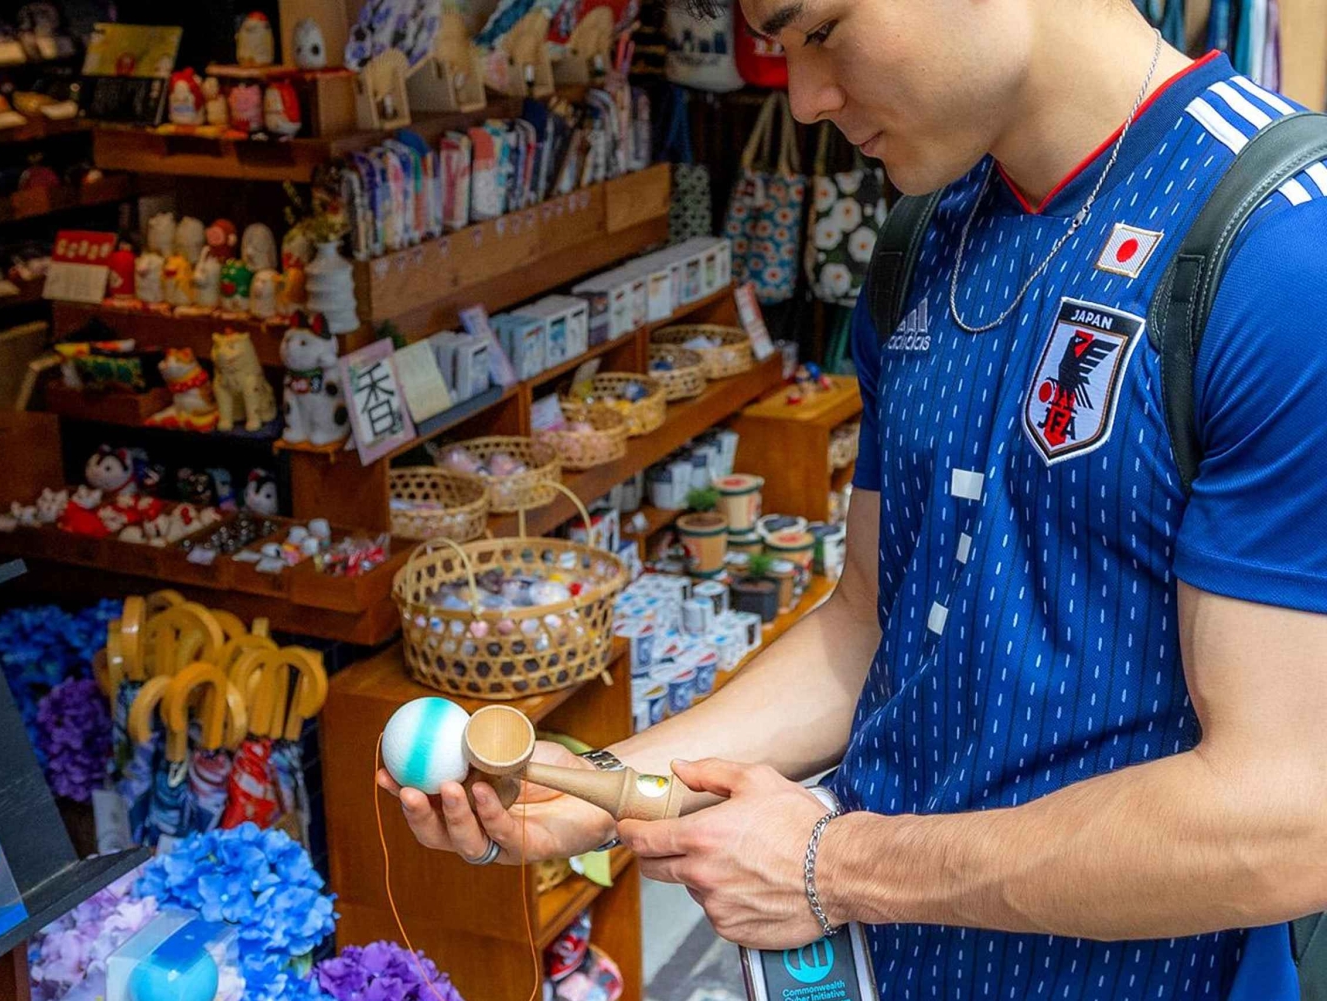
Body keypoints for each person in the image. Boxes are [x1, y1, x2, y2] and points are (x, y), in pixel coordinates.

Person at [379, 0, 1327, 995]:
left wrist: (834, 866)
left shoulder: (1277, 250)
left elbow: (1280, 816)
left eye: (821, 28)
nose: (806, 95)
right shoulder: (926, 237)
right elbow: (871, 621)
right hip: (885, 964)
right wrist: (594, 790)